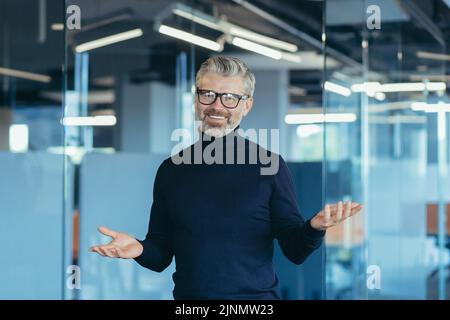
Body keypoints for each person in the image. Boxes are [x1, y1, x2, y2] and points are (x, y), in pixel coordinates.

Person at [89, 56, 363, 299]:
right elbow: (161, 252)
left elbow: (295, 250)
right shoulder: (171, 170)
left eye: (230, 97)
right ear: (196, 100)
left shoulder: (268, 166)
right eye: (208, 94)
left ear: (247, 105)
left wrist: (315, 227)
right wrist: (137, 248)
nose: (217, 106)